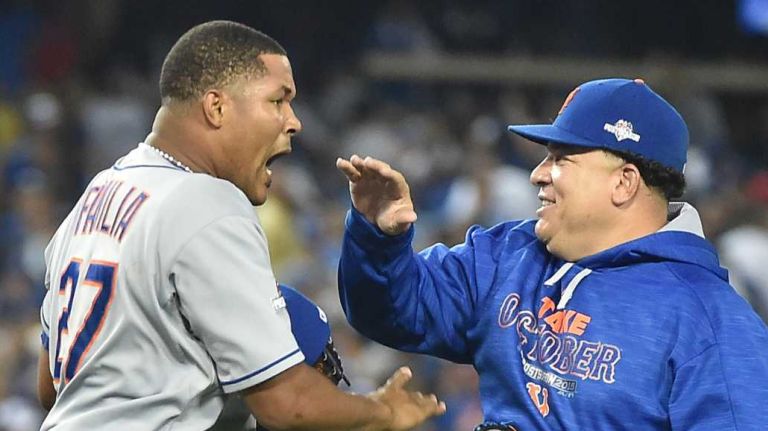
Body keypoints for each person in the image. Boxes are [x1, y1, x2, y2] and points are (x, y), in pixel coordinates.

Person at [37, 20, 445, 431]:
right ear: (217, 107)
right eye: (278, 101)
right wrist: (385, 410)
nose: (294, 121)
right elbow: (289, 405)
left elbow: (50, 387)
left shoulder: (96, 196)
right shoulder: (205, 200)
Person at [336, 78, 768, 430]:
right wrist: (377, 238)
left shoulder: (711, 321)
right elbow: (390, 313)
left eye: (562, 159)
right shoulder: (509, 255)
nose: (538, 174)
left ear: (624, 183)